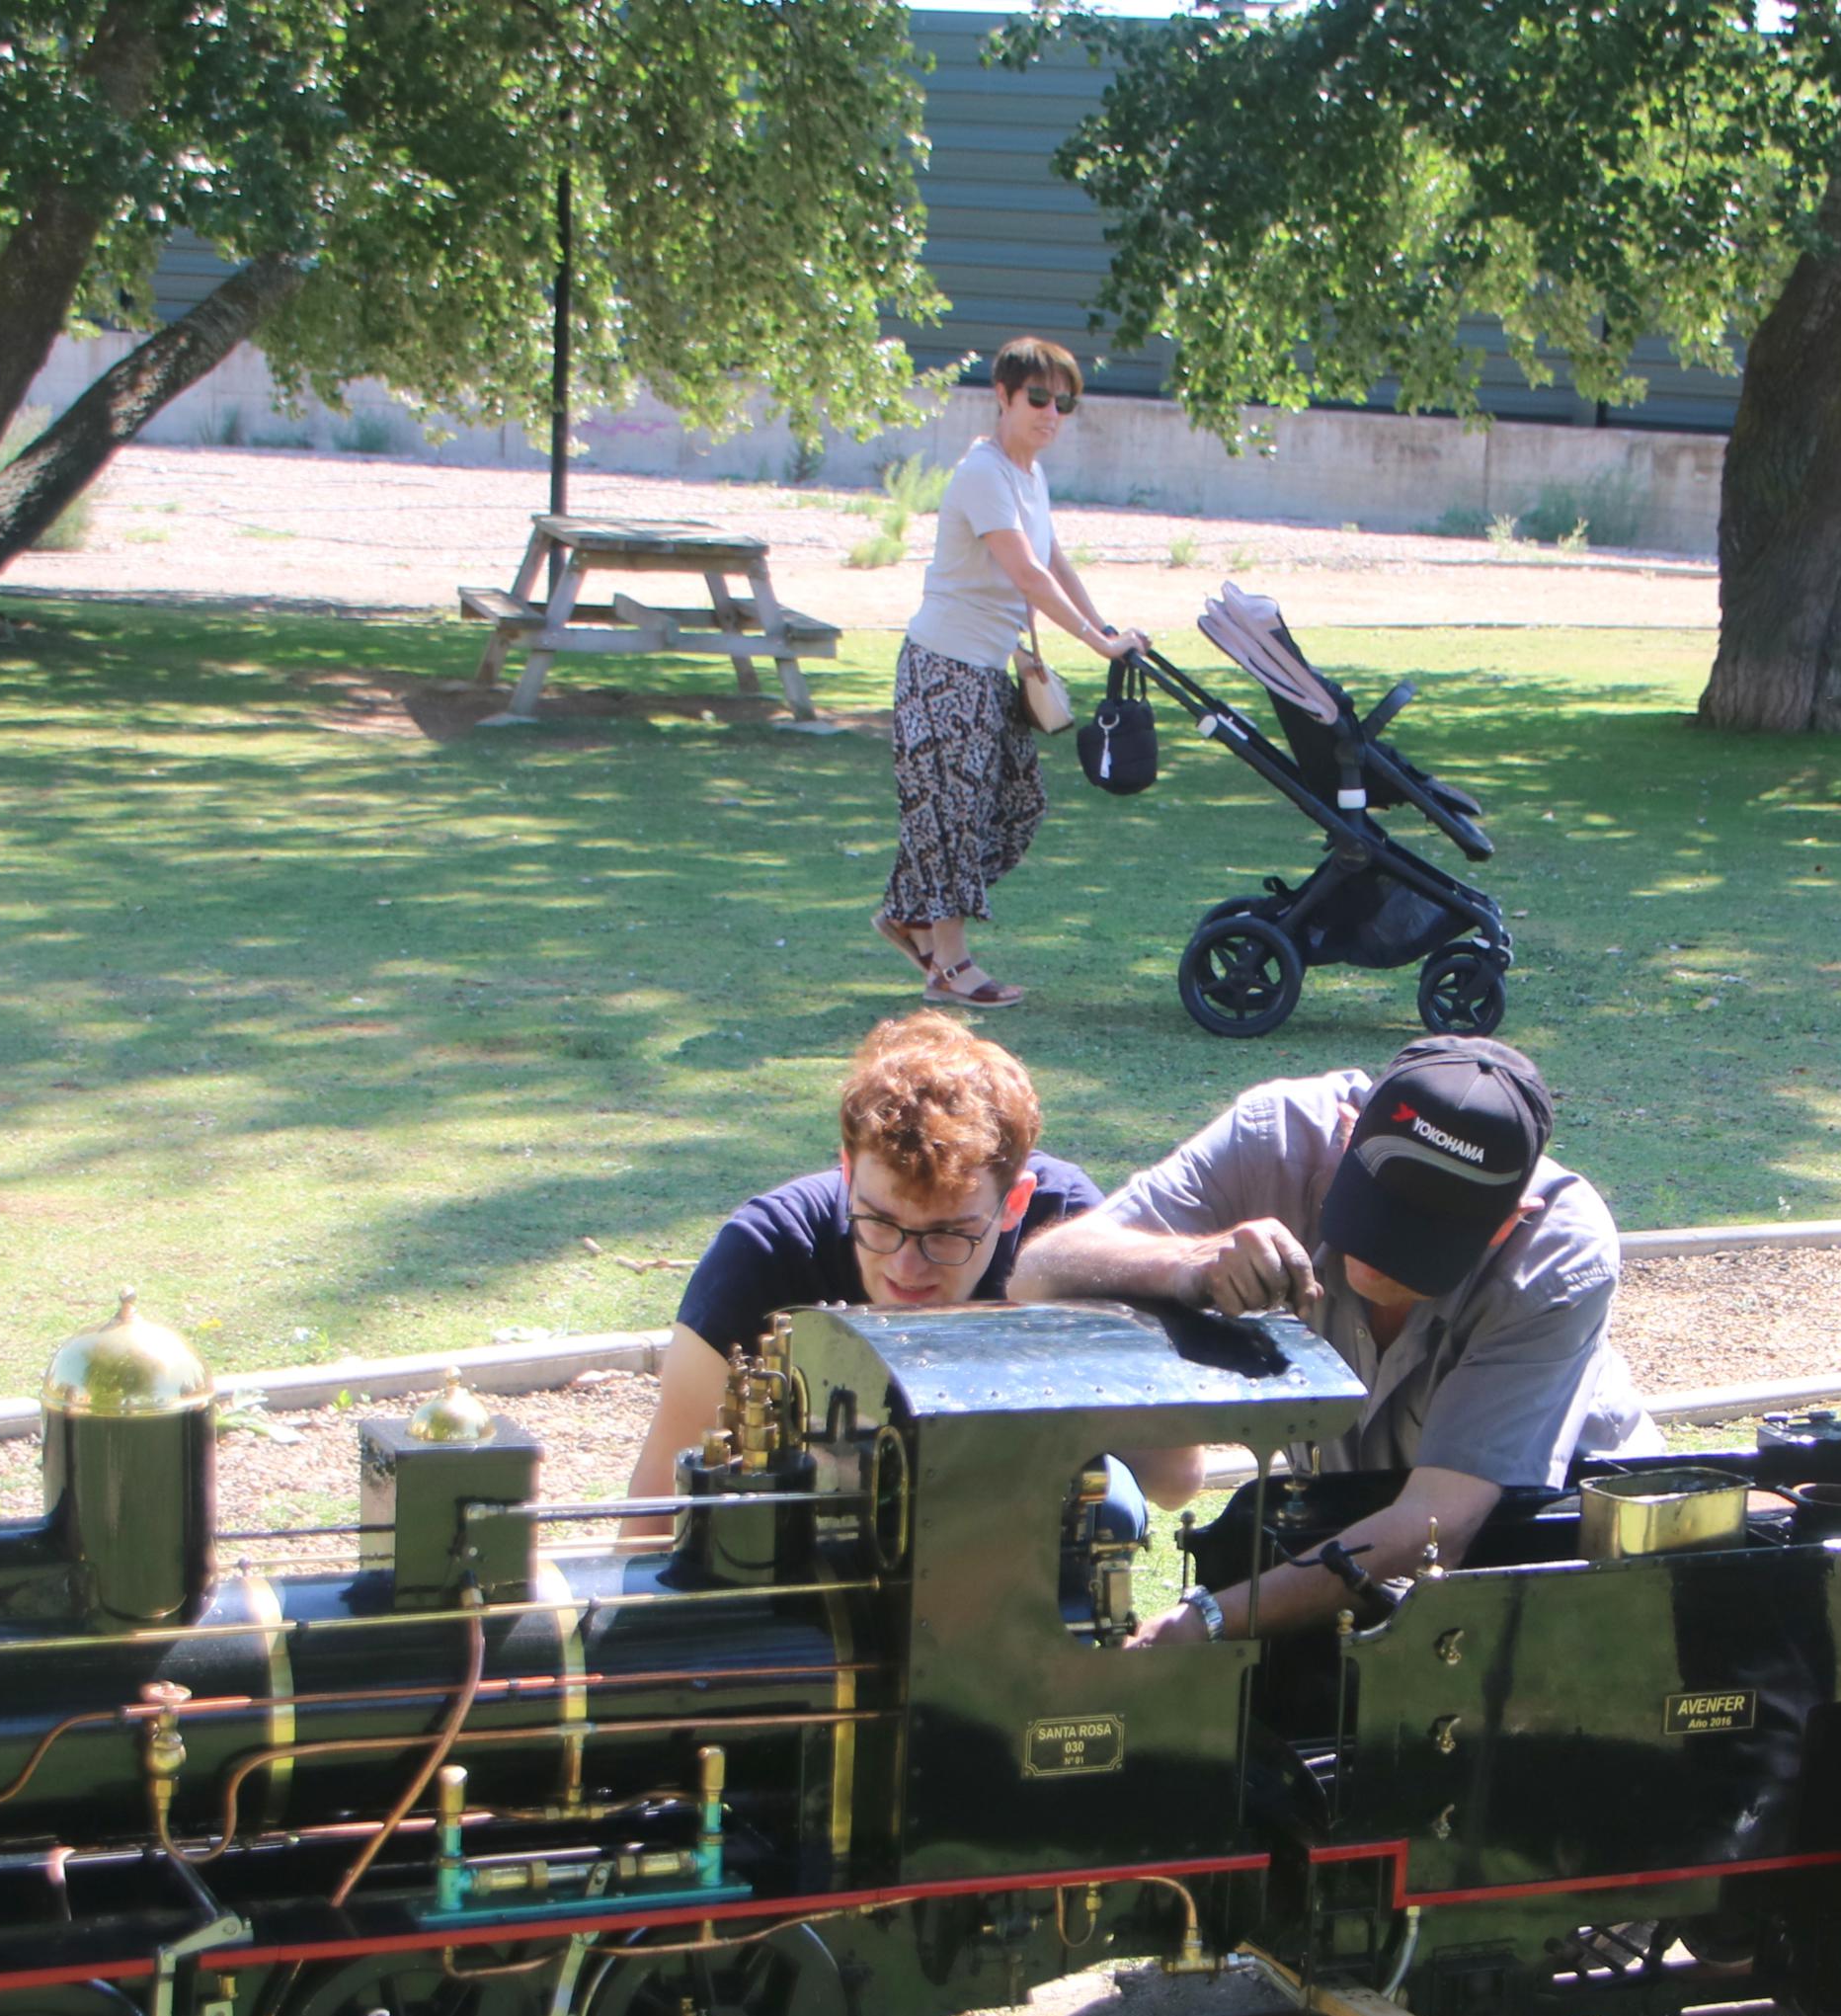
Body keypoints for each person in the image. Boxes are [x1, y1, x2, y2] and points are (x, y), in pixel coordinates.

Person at [1011, 1035, 1657, 1644]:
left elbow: (1438, 1525)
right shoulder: (1278, 1137)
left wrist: (1204, 1619)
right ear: (1348, 1137)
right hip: (1347, 1538)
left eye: (1420, 1240)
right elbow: (1039, 1273)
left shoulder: (1559, 1251)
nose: (1381, 1254)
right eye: (1376, 1209)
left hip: (1550, 1542)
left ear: (1506, 1224)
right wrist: (1187, 1263)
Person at [622, 1014, 1101, 1537]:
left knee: (1112, 1501)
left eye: (946, 1234)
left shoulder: (1065, 1231)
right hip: (806, 1567)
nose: (906, 1268)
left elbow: (1172, 1476)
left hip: (1011, 1537)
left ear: (1015, 1202)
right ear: (848, 1173)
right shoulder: (766, 1252)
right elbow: (652, 1519)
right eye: (879, 1222)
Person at [882, 337, 1142, 1009]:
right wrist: (1093, 643)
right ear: (1001, 396)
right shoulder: (983, 473)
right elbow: (1022, 571)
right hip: (942, 668)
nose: (1051, 412)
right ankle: (949, 963)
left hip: (985, 672)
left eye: (1064, 401)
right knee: (953, 815)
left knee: (1018, 804)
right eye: (1037, 398)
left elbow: (1052, 561)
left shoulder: (1029, 475)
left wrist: (1103, 626)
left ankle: (906, 912)